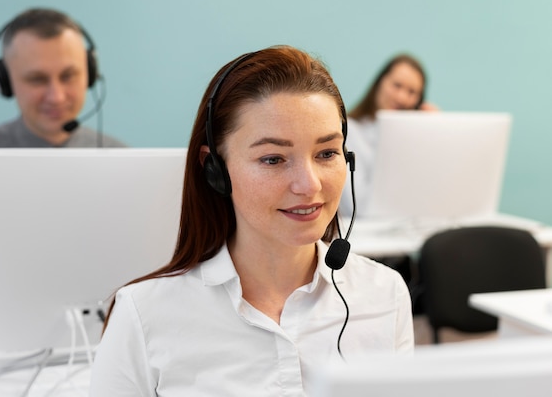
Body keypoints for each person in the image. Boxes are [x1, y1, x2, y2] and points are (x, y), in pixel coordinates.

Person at [90, 45, 413, 396]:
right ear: (215, 170)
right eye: (273, 159)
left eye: (327, 153)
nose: (310, 185)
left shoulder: (384, 294)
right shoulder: (143, 315)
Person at [0, 7, 127, 335]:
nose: (56, 95)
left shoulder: (123, 162)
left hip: (101, 349)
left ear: (89, 73)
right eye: (37, 79)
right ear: (5, 83)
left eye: (69, 75)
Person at [339, 53, 437, 218]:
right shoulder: (350, 131)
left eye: (412, 92)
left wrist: (432, 134)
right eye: (397, 85)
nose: (402, 97)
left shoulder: (414, 140)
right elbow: (357, 208)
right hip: (364, 233)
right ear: (380, 83)